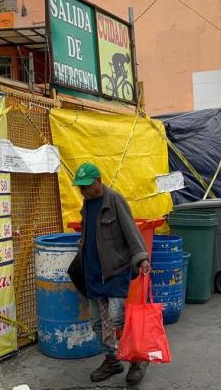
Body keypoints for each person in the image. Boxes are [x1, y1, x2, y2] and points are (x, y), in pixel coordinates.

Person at [71, 162, 151, 385]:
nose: (84, 191)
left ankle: (137, 360)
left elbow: (131, 231)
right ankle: (112, 360)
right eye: (81, 188)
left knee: (118, 321)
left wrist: (142, 258)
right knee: (98, 323)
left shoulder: (114, 200)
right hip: (94, 275)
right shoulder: (86, 205)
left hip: (115, 273)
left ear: (99, 181)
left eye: (87, 186)